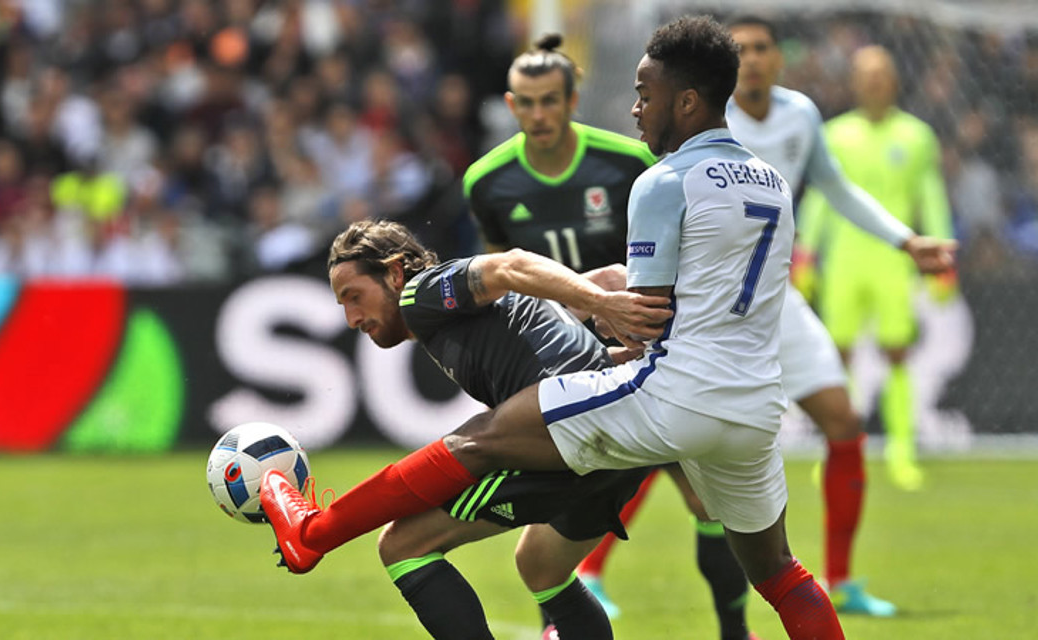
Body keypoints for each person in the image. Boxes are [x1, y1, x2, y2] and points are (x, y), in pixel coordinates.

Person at [261, 16, 847, 639]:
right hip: (756, 408)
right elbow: (700, 294)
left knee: (480, 440)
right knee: (778, 573)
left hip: (677, 395)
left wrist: (608, 311)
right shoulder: (774, 185)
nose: (634, 109)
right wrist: (603, 297)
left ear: (687, 101)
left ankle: (314, 534)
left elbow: (643, 315)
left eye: (646, 95)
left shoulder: (662, 181)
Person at [570, 16, 960, 621]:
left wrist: (905, 241)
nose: (751, 59)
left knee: (841, 419)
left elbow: (837, 189)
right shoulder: (700, 118)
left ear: (778, 60)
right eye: (742, 49)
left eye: (761, 48)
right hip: (708, 311)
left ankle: (844, 577)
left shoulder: (797, 114)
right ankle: (591, 570)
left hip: (771, 301)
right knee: (665, 437)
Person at [464, 33, 755, 640]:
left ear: (572, 99)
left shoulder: (629, 164)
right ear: (511, 106)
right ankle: (558, 628)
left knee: (706, 505)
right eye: (525, 102)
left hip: (648, 355)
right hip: (557, 365)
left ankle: (734, 630)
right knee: (549, 516)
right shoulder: (487, 182)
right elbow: (499, 281)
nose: (539, 114)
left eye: (550, 100)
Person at [326, 219, 659, 640]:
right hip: (621, 444)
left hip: (568, 433)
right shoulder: (486, 318)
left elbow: (512, 263)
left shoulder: (420, 292)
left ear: (394, 273)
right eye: (343, 306)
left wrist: (601, 301)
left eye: (354, 297)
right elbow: (580, 362)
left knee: (403, 545)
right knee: (541, 565)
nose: (353, 318)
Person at [795, 44, 956, 493]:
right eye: (865, 74)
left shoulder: (916, 135)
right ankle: (839, 449)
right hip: (845, 259)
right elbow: (823, 197)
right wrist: (806, 252)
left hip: (893, 261)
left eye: (881, 73)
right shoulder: (835, 134)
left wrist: (943, 259)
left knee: (897, 352)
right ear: (853, 82)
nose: (873, 82)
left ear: (894, 80)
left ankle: (902, 450)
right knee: (837, 355)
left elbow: (931, 195)